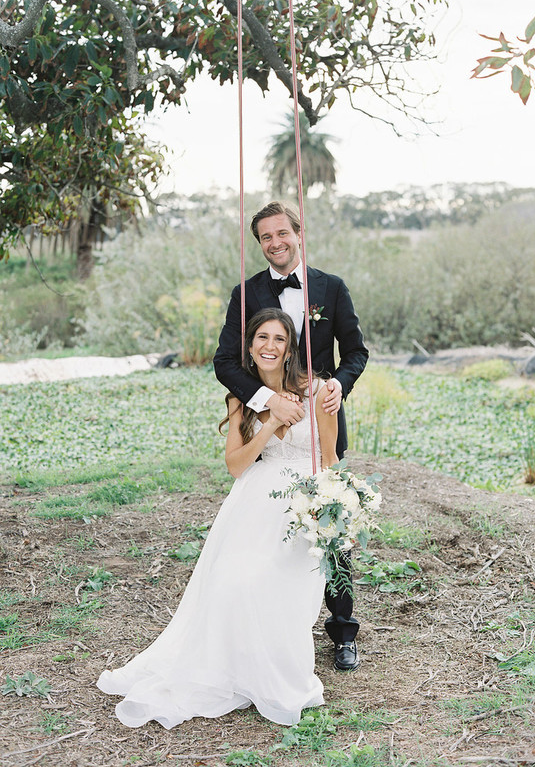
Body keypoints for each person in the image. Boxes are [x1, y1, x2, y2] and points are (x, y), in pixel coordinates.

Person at [97, 309, 338, 727]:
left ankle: (282, 678)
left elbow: (330, 458)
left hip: (302, 505)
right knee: (234, 582)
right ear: (249, 346)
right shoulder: (240, 399)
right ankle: (239, 671)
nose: (269, 346)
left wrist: (334, 509)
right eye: (261, 337)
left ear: (289, 349)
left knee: (283, 591)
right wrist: (268, 423)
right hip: (252, 504)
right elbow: (236, 465)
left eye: (279, 339)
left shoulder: (318, 391)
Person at [213, 201, 368, 671]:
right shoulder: (247, 293)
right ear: (258, 243)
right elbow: (224, 361)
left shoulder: (330, 288)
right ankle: (275, 623)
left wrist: (338, 384)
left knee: (330, 523)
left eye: (282, 233)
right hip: (270, 425)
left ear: (298, 232)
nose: (275, 243)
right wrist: (265, 403)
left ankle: (342, 631)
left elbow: (356, 352)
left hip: (320, 411)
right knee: (270, 527)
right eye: (265, 237)